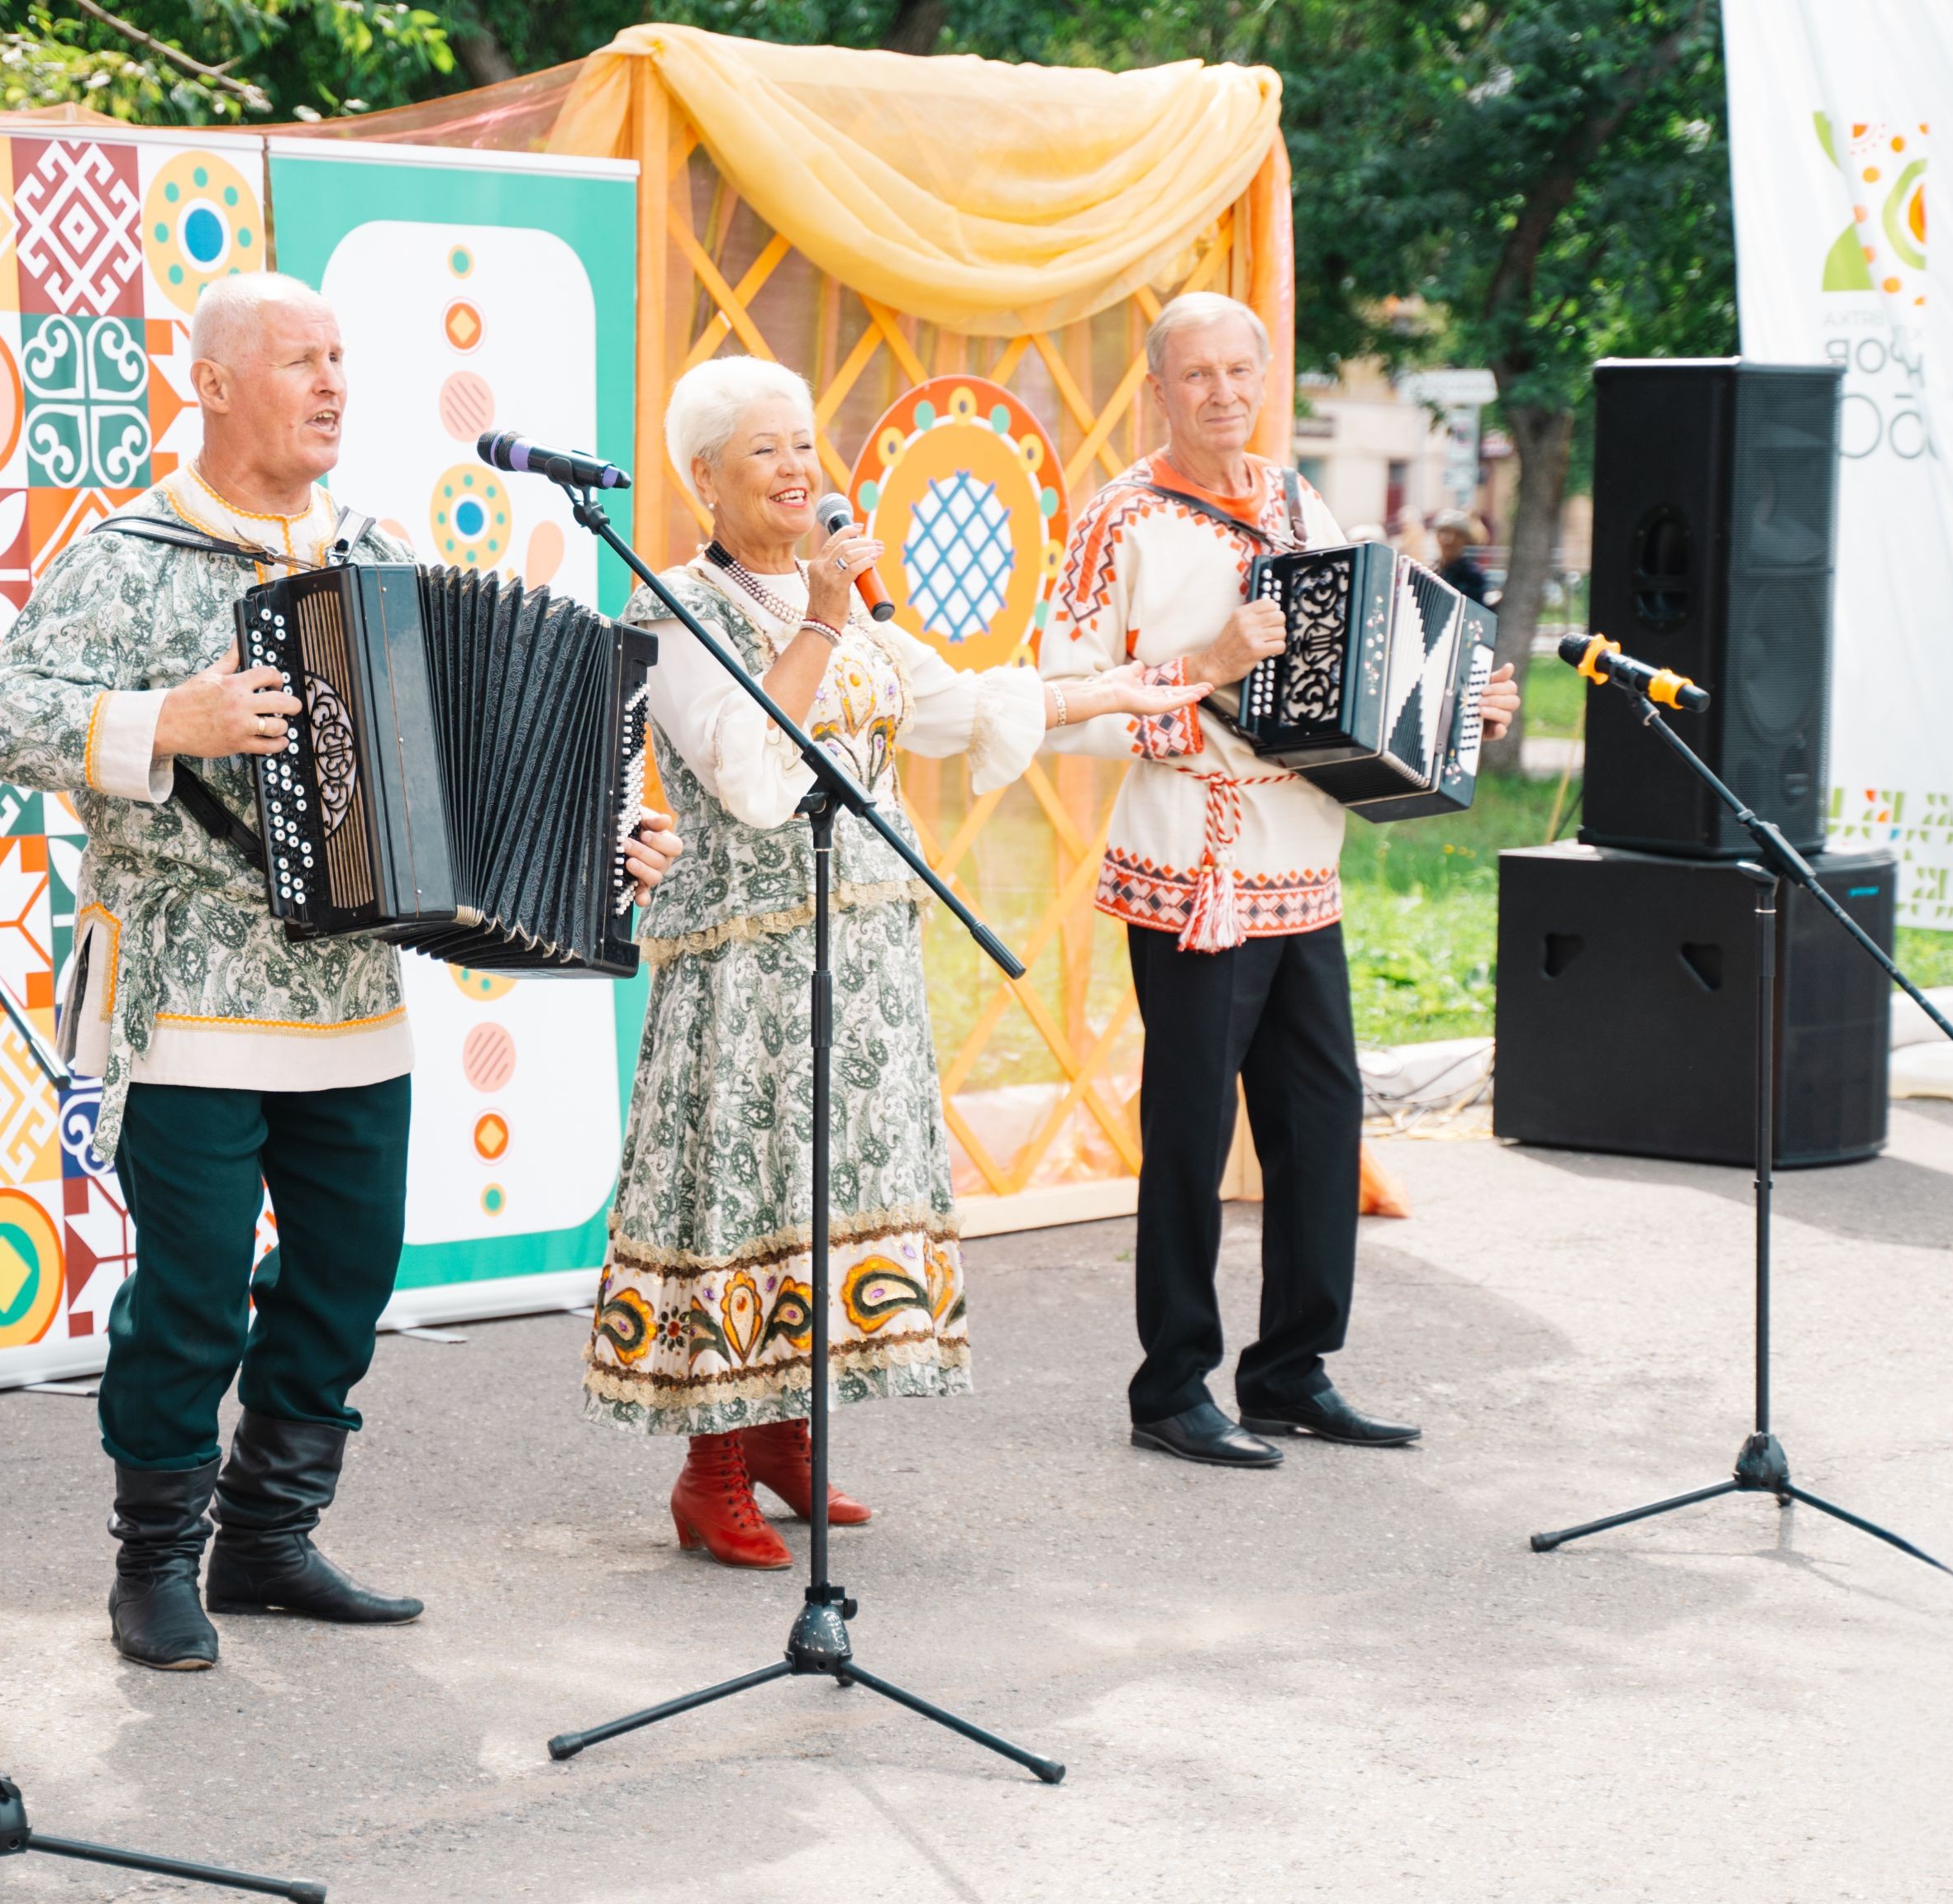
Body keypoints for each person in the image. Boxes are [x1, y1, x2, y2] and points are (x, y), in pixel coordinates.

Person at [0, 273, 679, 1667]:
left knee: (349, 1265)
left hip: (349, 993)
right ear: (213, 382)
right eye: (298, 360)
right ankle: (153, 1558)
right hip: (186, 982)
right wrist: (171, 716)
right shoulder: (125, 554)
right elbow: (0, 715)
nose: (332, 383)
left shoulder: (377, 550)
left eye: (341, 357)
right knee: (194, 1284)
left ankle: (270, 1536)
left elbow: (469, 760)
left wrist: (596, 844)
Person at [583, 355, 1206, 1567]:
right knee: (747, 1198)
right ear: (704, 477)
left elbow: (952, 710)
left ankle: (785, 1441)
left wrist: (1108, 690)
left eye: (806, 443)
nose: (798, 468)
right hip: (748, 963)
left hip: (862, 949)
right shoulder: (672, 613)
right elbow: (757, 780)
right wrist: (820, 613)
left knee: (826, 1201)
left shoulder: (851, 608)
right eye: (765, 450)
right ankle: (709, 1471)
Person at [1044, 293, 1521, 1470]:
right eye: (1195, 375)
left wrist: (1458, 707)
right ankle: (1172, 1386)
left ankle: (1291, 1370)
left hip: (1305, 862)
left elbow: (1355, 660)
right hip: (1192, 865)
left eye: (1240, 372)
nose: (1222, 394)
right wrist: (1201, 671)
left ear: (1265, 378)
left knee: (1318, 1123)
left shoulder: (1302, 502)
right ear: (1157, 389)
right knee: (1192, 1132)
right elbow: (1060, 699)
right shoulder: (1119, 520)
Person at [1431, 509, 1498, 608]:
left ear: (1465, 541)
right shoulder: (1431, 572)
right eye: (1444, 533)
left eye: (1457, 535)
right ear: (1437, 537)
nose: (1450, 540)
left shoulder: (1474, 576)